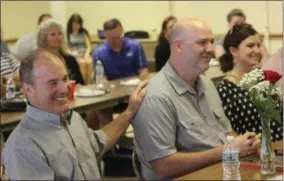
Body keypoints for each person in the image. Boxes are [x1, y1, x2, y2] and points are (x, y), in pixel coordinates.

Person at [132, 18, 261, 180]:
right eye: (202, 43)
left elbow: (226, 132)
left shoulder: (206, 83)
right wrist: (229, 150)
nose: (211, 49)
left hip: (220, 171)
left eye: (212, 42)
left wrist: (245, 144)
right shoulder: (156, 96)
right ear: (178, 46)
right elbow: (163, 166)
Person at [2, 49, 147, 180]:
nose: (64, 89)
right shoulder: (22, 147)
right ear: (28, 90)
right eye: (52, 83)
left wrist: (130, 111)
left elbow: (98, 142)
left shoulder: (72, 118)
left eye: (64, 79)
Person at [217, 24, 283, 142]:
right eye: (250, 46)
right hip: (255, 154)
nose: (257, 50)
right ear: (233, 50)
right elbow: (232, 134)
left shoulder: (263, 80)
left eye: (258, 45)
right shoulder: (225, 89)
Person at [37, 18, 85, 85]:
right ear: (43, 39)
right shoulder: (39, 63)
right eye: (53, 34)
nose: (58, 37)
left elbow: (81, 83)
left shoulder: (70, 60)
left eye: (60, 33)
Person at [66, 13, 93, 84]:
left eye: (78, 24)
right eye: (74, 24)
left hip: (84, 53)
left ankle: (89, 84)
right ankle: (83, 84)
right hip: (74, 54)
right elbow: (67, 49)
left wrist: (87, 54)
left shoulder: (84, 33)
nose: (76, 26)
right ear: (71, 24)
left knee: (89, 62)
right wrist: (75, 54)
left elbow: (88, 46)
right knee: (82, 63)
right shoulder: (67, 34)